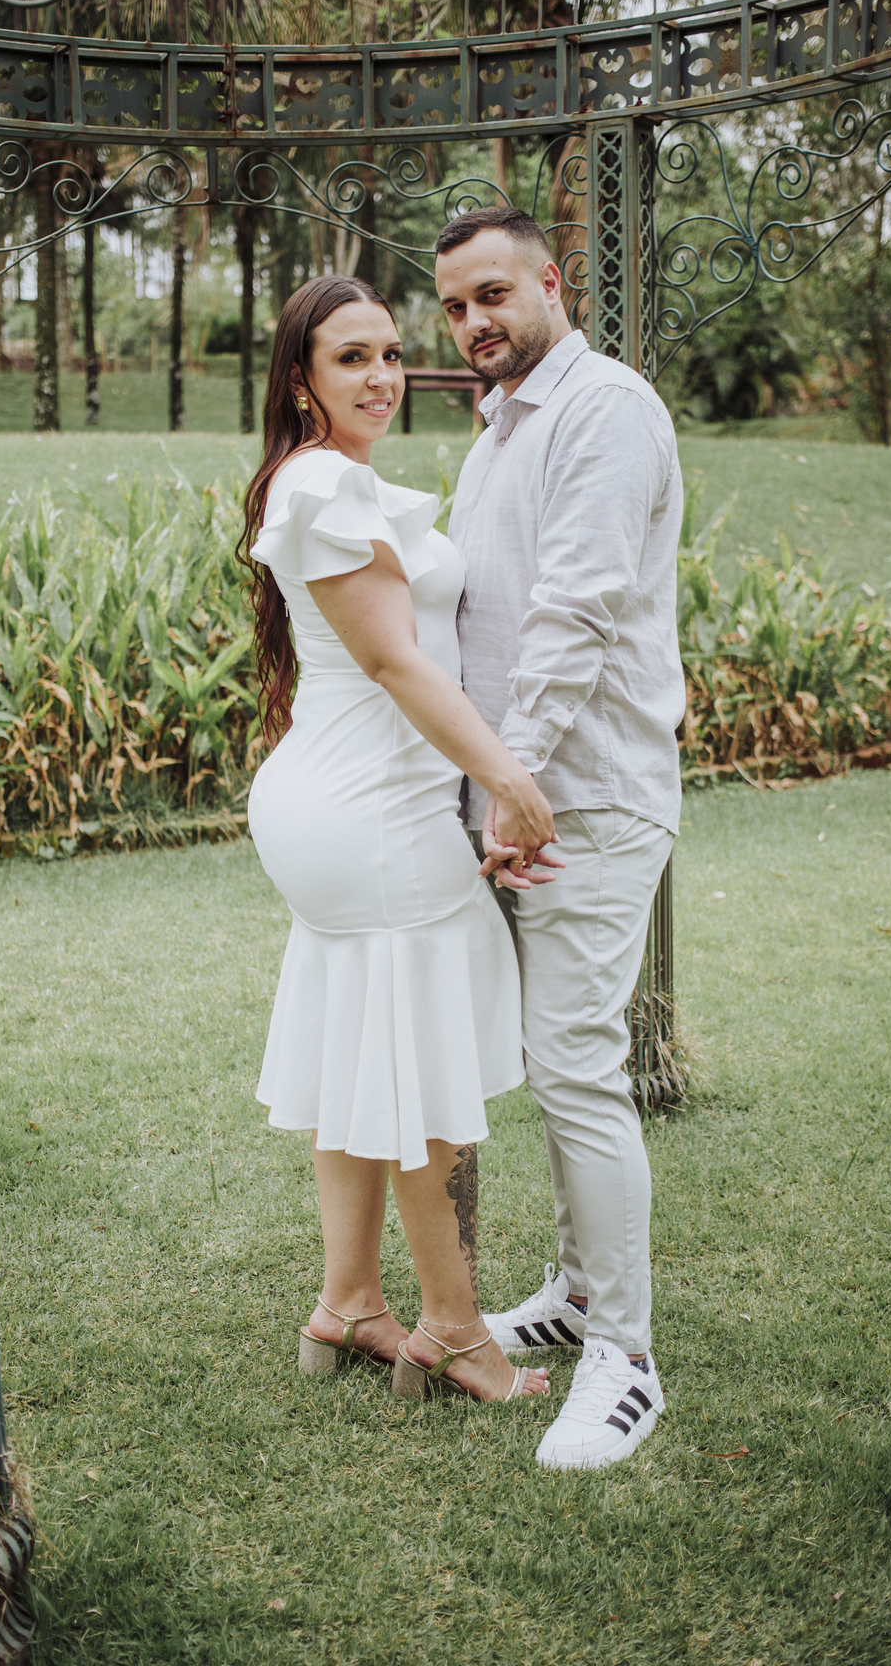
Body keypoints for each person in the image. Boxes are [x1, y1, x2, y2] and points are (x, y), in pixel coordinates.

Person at [240, 274, 559, 1404]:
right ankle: (458, 1333)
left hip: (341, 800)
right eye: (351, 358)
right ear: (301, 381)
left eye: (389, 353)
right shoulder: (326, 483)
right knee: (424, 1061)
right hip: (369, 810)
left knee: (365, 1045)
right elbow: (392, 661)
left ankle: (349, 1305)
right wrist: (508, 780)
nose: (382, 376)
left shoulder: (328, 477)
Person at [435, 206, 685, 1467]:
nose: (474, 322)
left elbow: (576, 611)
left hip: (580, 797)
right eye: (454, 307)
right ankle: (580, 1294)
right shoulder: (499, 429)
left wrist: (513, 782)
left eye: (493, 294)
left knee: (578, 1067)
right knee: (554, 1063)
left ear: (550, 281)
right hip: (520, 796)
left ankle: (625, 1357)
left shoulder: (606, 409)